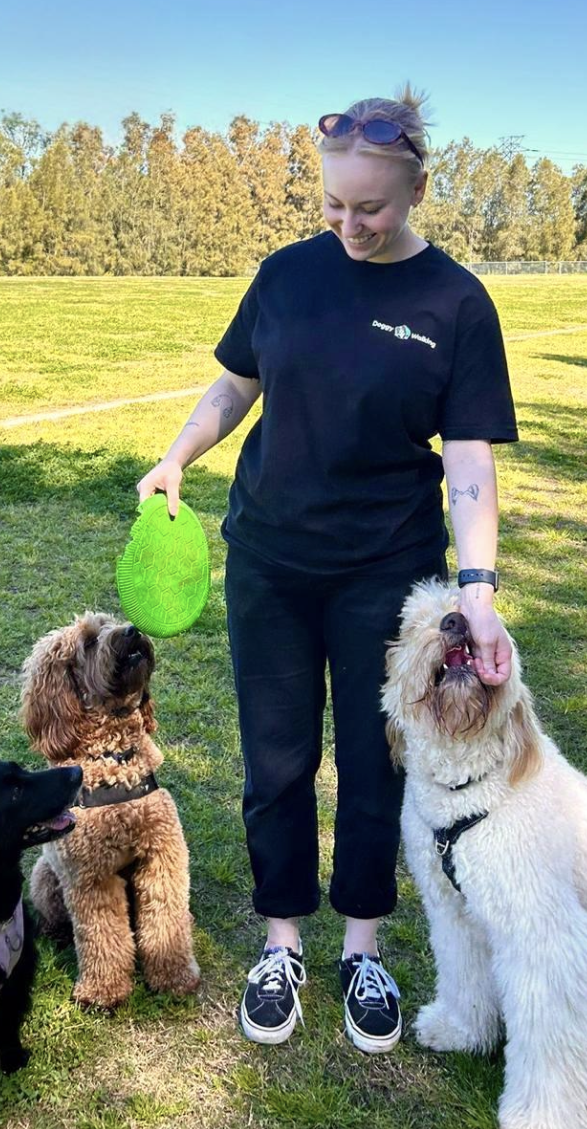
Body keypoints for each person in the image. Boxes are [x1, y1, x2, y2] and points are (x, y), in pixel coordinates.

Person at [136, 88, 518, 1054]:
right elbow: (237, 384)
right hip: (269, 559)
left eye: (371, 208)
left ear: (417, 190)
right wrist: (178, 456)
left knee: (374, 762)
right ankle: (281, 945)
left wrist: (478, 590)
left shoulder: (456, 303)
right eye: (334, 206)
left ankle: (361, 950)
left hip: (386, 569)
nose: (350, 225)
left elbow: (469, 458)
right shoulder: (284, 276)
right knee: (276, 758)